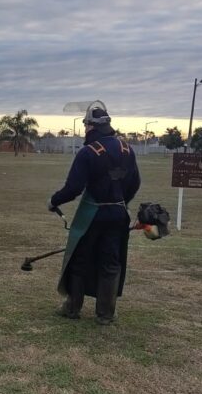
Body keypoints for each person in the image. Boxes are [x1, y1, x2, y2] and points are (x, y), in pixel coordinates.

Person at [47, 101, 141, 325]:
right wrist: (119, 202)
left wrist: (53, 201)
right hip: (118, 215)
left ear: (91, 127)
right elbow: (135, 183)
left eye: (86, 126)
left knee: (80, 259)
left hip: (93, 215)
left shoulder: (88, 152)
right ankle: (105, 314)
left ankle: (72, 308)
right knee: (110, 262)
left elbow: (73, 189)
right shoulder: (127, 149)